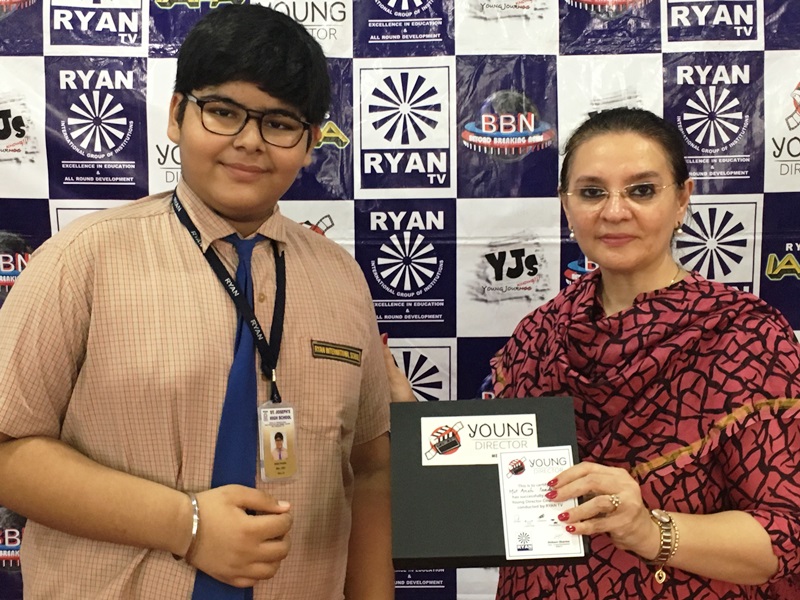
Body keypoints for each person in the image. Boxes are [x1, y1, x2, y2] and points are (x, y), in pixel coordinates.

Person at [0, 5, 392, 599]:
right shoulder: (82, 259)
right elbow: (8, 449)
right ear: (177, 114)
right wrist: (185, 524)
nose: (249, 141)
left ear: (312, 143)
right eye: (224, 112)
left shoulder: (342, 281)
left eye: (280, 123)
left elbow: (370, 468)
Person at [489, 108, 800, 598]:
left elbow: (785, 536)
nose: (614, 212)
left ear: (682, 199)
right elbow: (501, 485)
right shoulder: (537, 335)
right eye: (592, 192)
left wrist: (650, 530)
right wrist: (415, 428)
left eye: (642, 190)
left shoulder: (746, 337)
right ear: (566, 205)